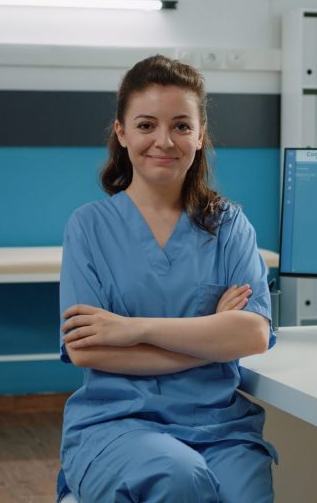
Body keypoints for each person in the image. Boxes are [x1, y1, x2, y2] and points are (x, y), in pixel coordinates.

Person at [56, 54, 277, 503]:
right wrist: (208, 340)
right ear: (121, 132)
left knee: (245, 493)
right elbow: (87, 349)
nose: (164, 141)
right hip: (118, 424)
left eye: (180, 125)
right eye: (145, 125)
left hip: (220, 426)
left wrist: (133, 329)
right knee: (178, 476)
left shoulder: (228, 224)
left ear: (199, 136)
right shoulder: (89, 226)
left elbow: (253, 333)